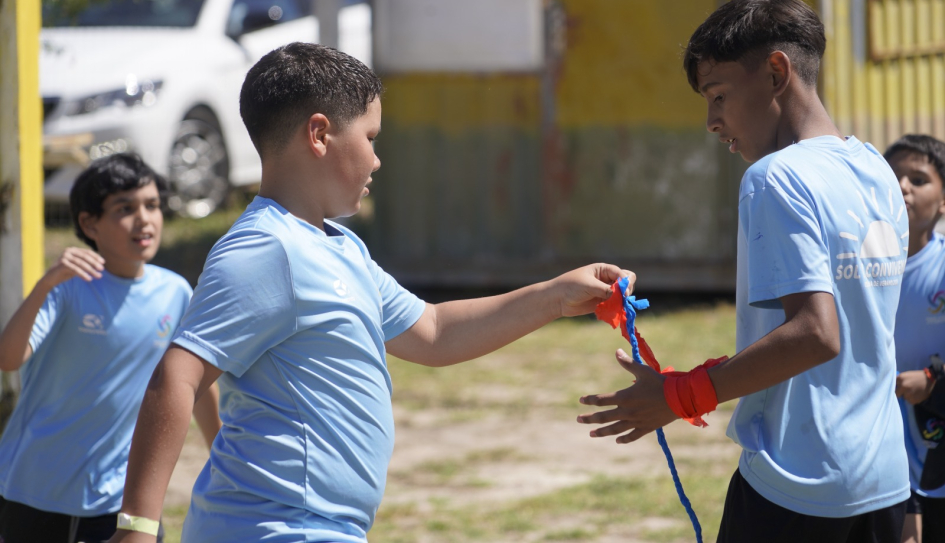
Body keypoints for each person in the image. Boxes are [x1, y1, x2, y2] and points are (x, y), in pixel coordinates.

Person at [107, 42, 632, 543]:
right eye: (371, 137)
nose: (378, 160)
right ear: (319, 134)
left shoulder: (339, 247)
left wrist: (554, 296)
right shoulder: (267, 249)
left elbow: (433, 332)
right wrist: (138, 526)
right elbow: (178, 375)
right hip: (277, 527)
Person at [577, 0, 910, 543]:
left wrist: (681, 395)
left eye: (718, 95)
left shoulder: (775, 178)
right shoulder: (874, 166)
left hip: (799, 483)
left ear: (777, 73)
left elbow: (816, 334)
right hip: (883, 480)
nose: (711, 121)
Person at [0, 152, 221, 543]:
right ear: (90, 224)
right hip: (36, 491)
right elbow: (8, 358)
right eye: (125, 208)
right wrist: (45, 284)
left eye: (152, 205)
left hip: (121, 498)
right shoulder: (67, 288)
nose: (144, 219)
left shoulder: (174, 292)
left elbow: (197, 383)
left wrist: (222, 456)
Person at [884, 135, 945, 543]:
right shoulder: (852, 269)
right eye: (892, 177)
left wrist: (932, 380)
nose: (903, 187)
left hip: (935, 453)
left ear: (943, 201)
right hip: (879, 454)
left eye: (918, 179)